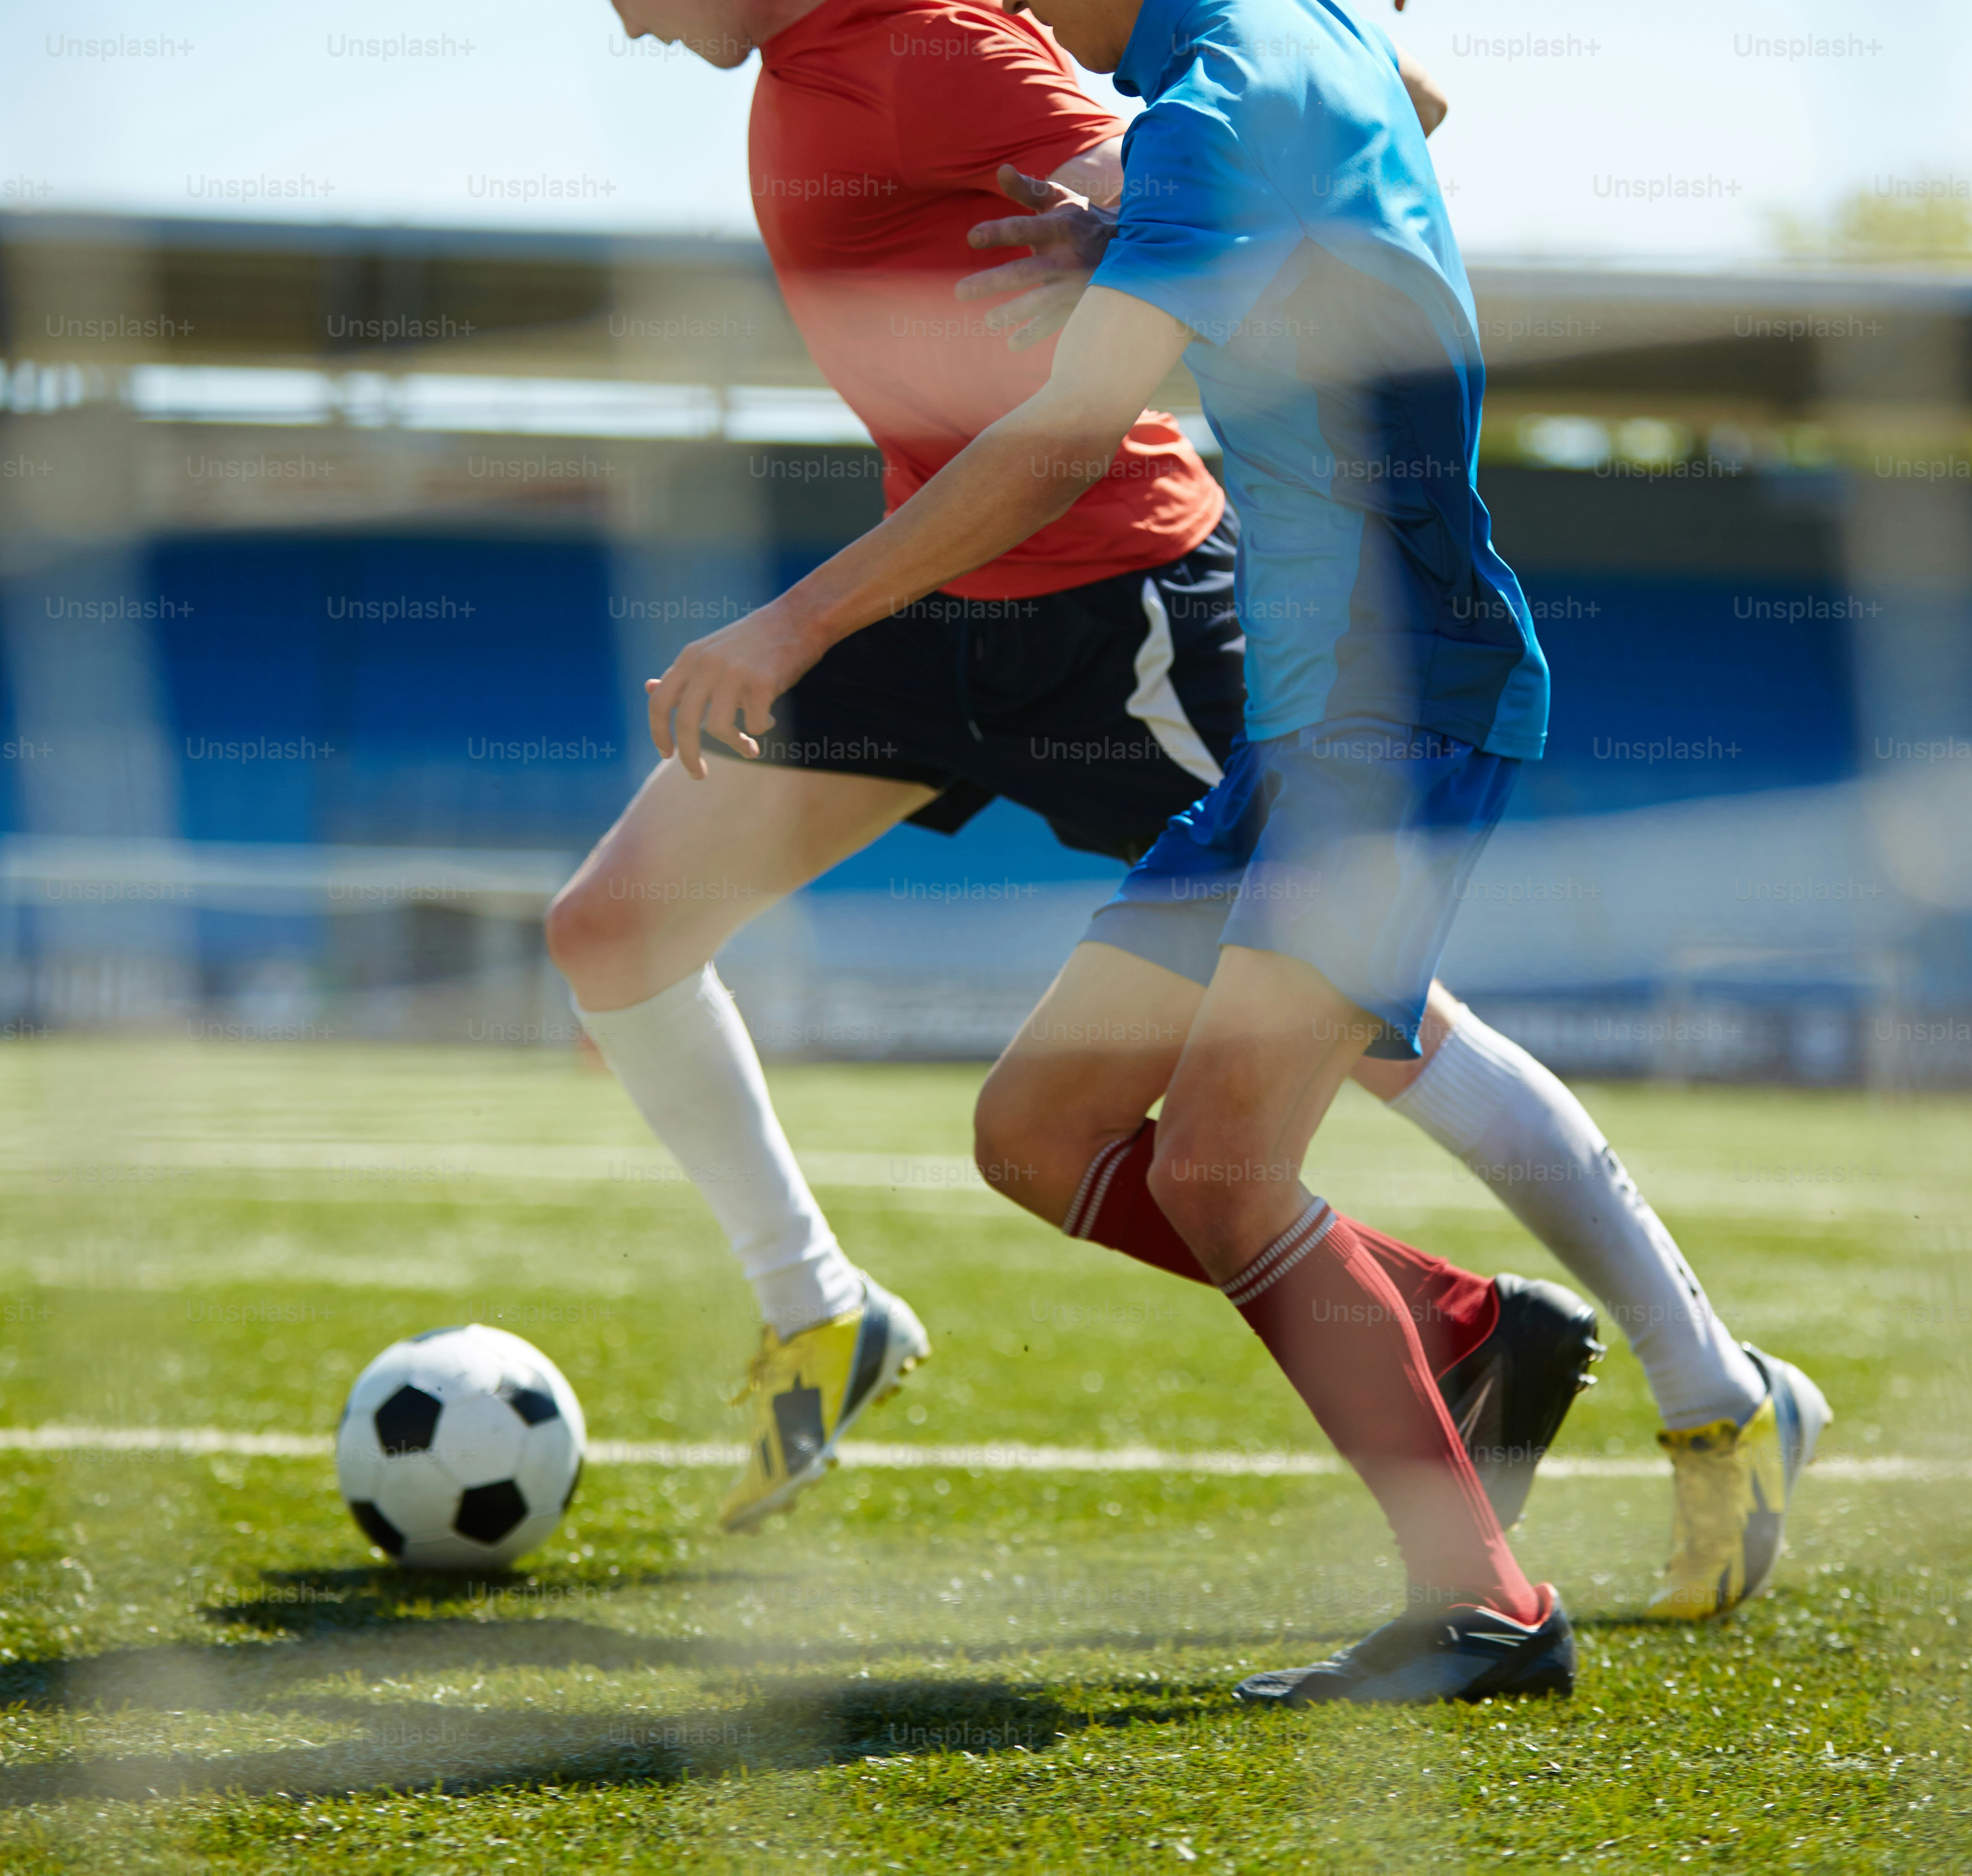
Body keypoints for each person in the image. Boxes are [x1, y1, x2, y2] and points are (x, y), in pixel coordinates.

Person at [565, 0, 1816, 1628]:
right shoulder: (869, 61)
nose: (618, 14)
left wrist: (1158, 209)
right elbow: (1353, 99)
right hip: (936, 591)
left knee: (1367, 1042)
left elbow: (1329, 131)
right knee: (615, 930)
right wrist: (1147, 213)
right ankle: (822, 1307)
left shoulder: (957, 47)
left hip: (1126, 614)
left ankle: (1702, 1376)